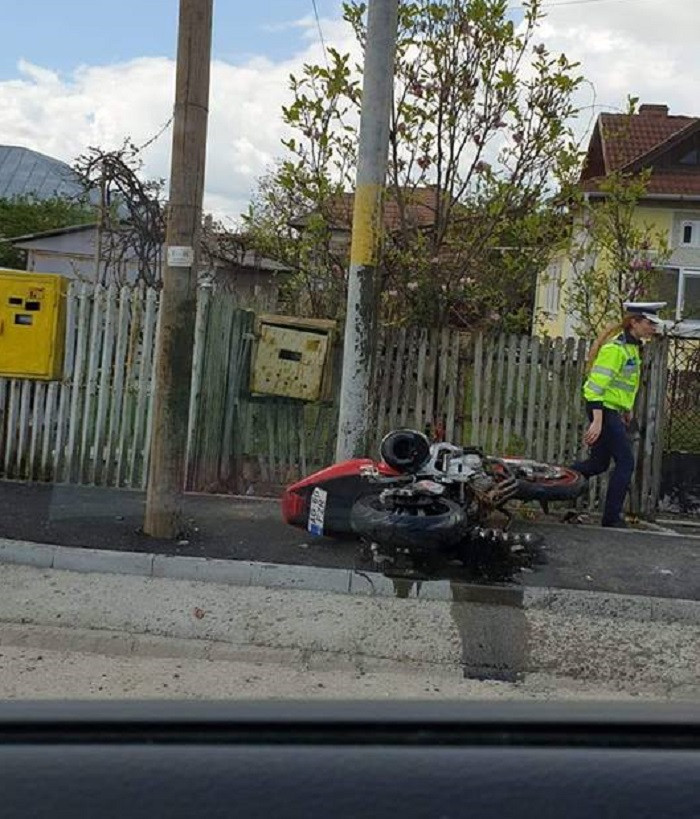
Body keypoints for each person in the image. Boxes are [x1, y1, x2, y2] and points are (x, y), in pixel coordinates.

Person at [571, 302, 666, 528]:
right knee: (626, 462)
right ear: (634, 322)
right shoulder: (615, 349)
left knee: (598, 464)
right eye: (649, 323)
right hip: (602, 409)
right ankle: (611, 518)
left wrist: (627, 409)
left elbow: (624, 385)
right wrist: (597, 421)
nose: (653, 328)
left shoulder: (631, 348)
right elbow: (594, 387)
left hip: (613, 410)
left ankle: (558, 477)